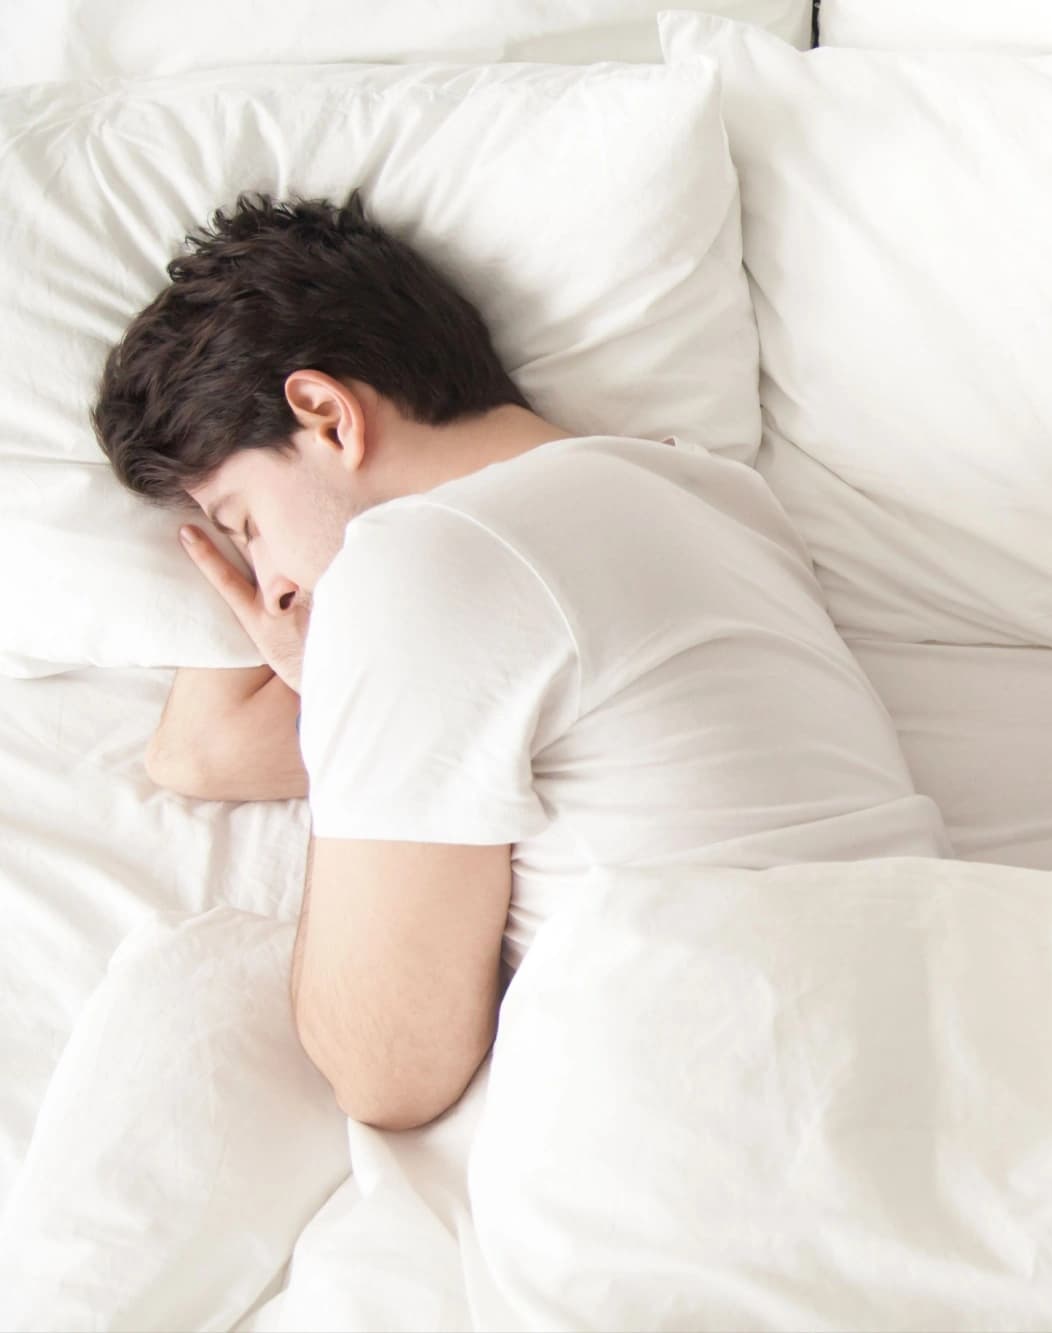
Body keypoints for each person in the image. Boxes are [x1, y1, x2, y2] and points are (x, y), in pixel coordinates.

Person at [93, 193, 947, 1130]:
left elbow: (387, 1070)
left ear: (328, 414)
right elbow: (211, 752)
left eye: (246, 524)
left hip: (730, 1127)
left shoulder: (419, 561)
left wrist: (351, 645)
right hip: (921, 1063)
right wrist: (332, 668)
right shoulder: (707, 491)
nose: (275, 588)